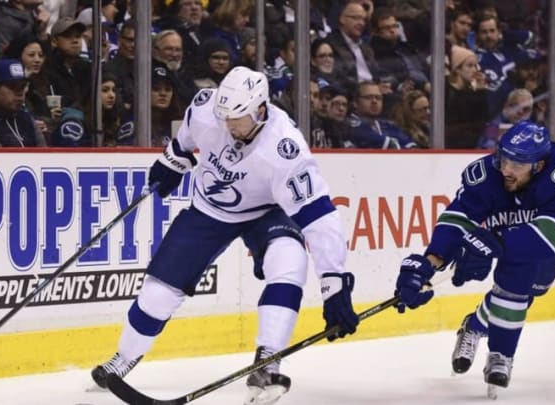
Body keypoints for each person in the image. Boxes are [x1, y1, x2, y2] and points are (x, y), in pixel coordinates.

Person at [91, 66, 359, 404]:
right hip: (210, 209)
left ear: (261, 109)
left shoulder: (284, 149)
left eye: (238, 118)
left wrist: (334, 282)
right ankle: (124, 357)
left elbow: (318, 217)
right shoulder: (208, 109)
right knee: (158, 292)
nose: (229, 125)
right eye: (225, 116)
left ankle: (268, 359)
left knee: (289, 260)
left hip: (266, 210)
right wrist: (173, 161)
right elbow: (187, 135)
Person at [393, 120, 555, 393]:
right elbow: (459, 217)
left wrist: (493, 244)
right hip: (519, 217)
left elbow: (547, 239)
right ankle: (501, 356)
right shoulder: (490, 174)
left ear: (537, 165)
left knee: (532, 288)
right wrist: (430, 262)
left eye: (516, 165)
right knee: (515, 280)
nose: (506, 170)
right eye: (504, 160)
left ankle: (475, 325)